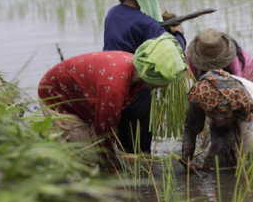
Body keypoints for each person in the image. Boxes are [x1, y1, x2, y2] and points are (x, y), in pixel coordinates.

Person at [38, 34, 186, 167]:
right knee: (89, 160)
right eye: (163, 82)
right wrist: (115, 171)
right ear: (151, 76)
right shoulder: (114, 87)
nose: (164, 86)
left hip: (81, 99)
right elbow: (105, 137)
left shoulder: (137, 68)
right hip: (56, 96)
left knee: (101, 152)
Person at [103, 0, 186, 153]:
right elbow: (176, 53)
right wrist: (179, 33)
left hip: (109, 83)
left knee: (122, 143)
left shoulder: (112, 14)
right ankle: (143, 181)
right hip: (136, 88)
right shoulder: (146, 23)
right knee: (140, 151)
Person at [181, 69, 253, 170]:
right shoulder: (199, 99)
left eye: (223, 112)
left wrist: (243, 172)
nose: (218, 118)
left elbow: (247, 141)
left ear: (232, 108)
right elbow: (190, 129)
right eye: (212, 113)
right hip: (226, 115)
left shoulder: (242, 104)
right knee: (218, 162)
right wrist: (187, 160)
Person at [187, 28, 253, 82]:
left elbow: (239, 83)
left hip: (246, 74)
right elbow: (193, 80)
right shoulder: (192, 59)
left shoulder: (232, 59)